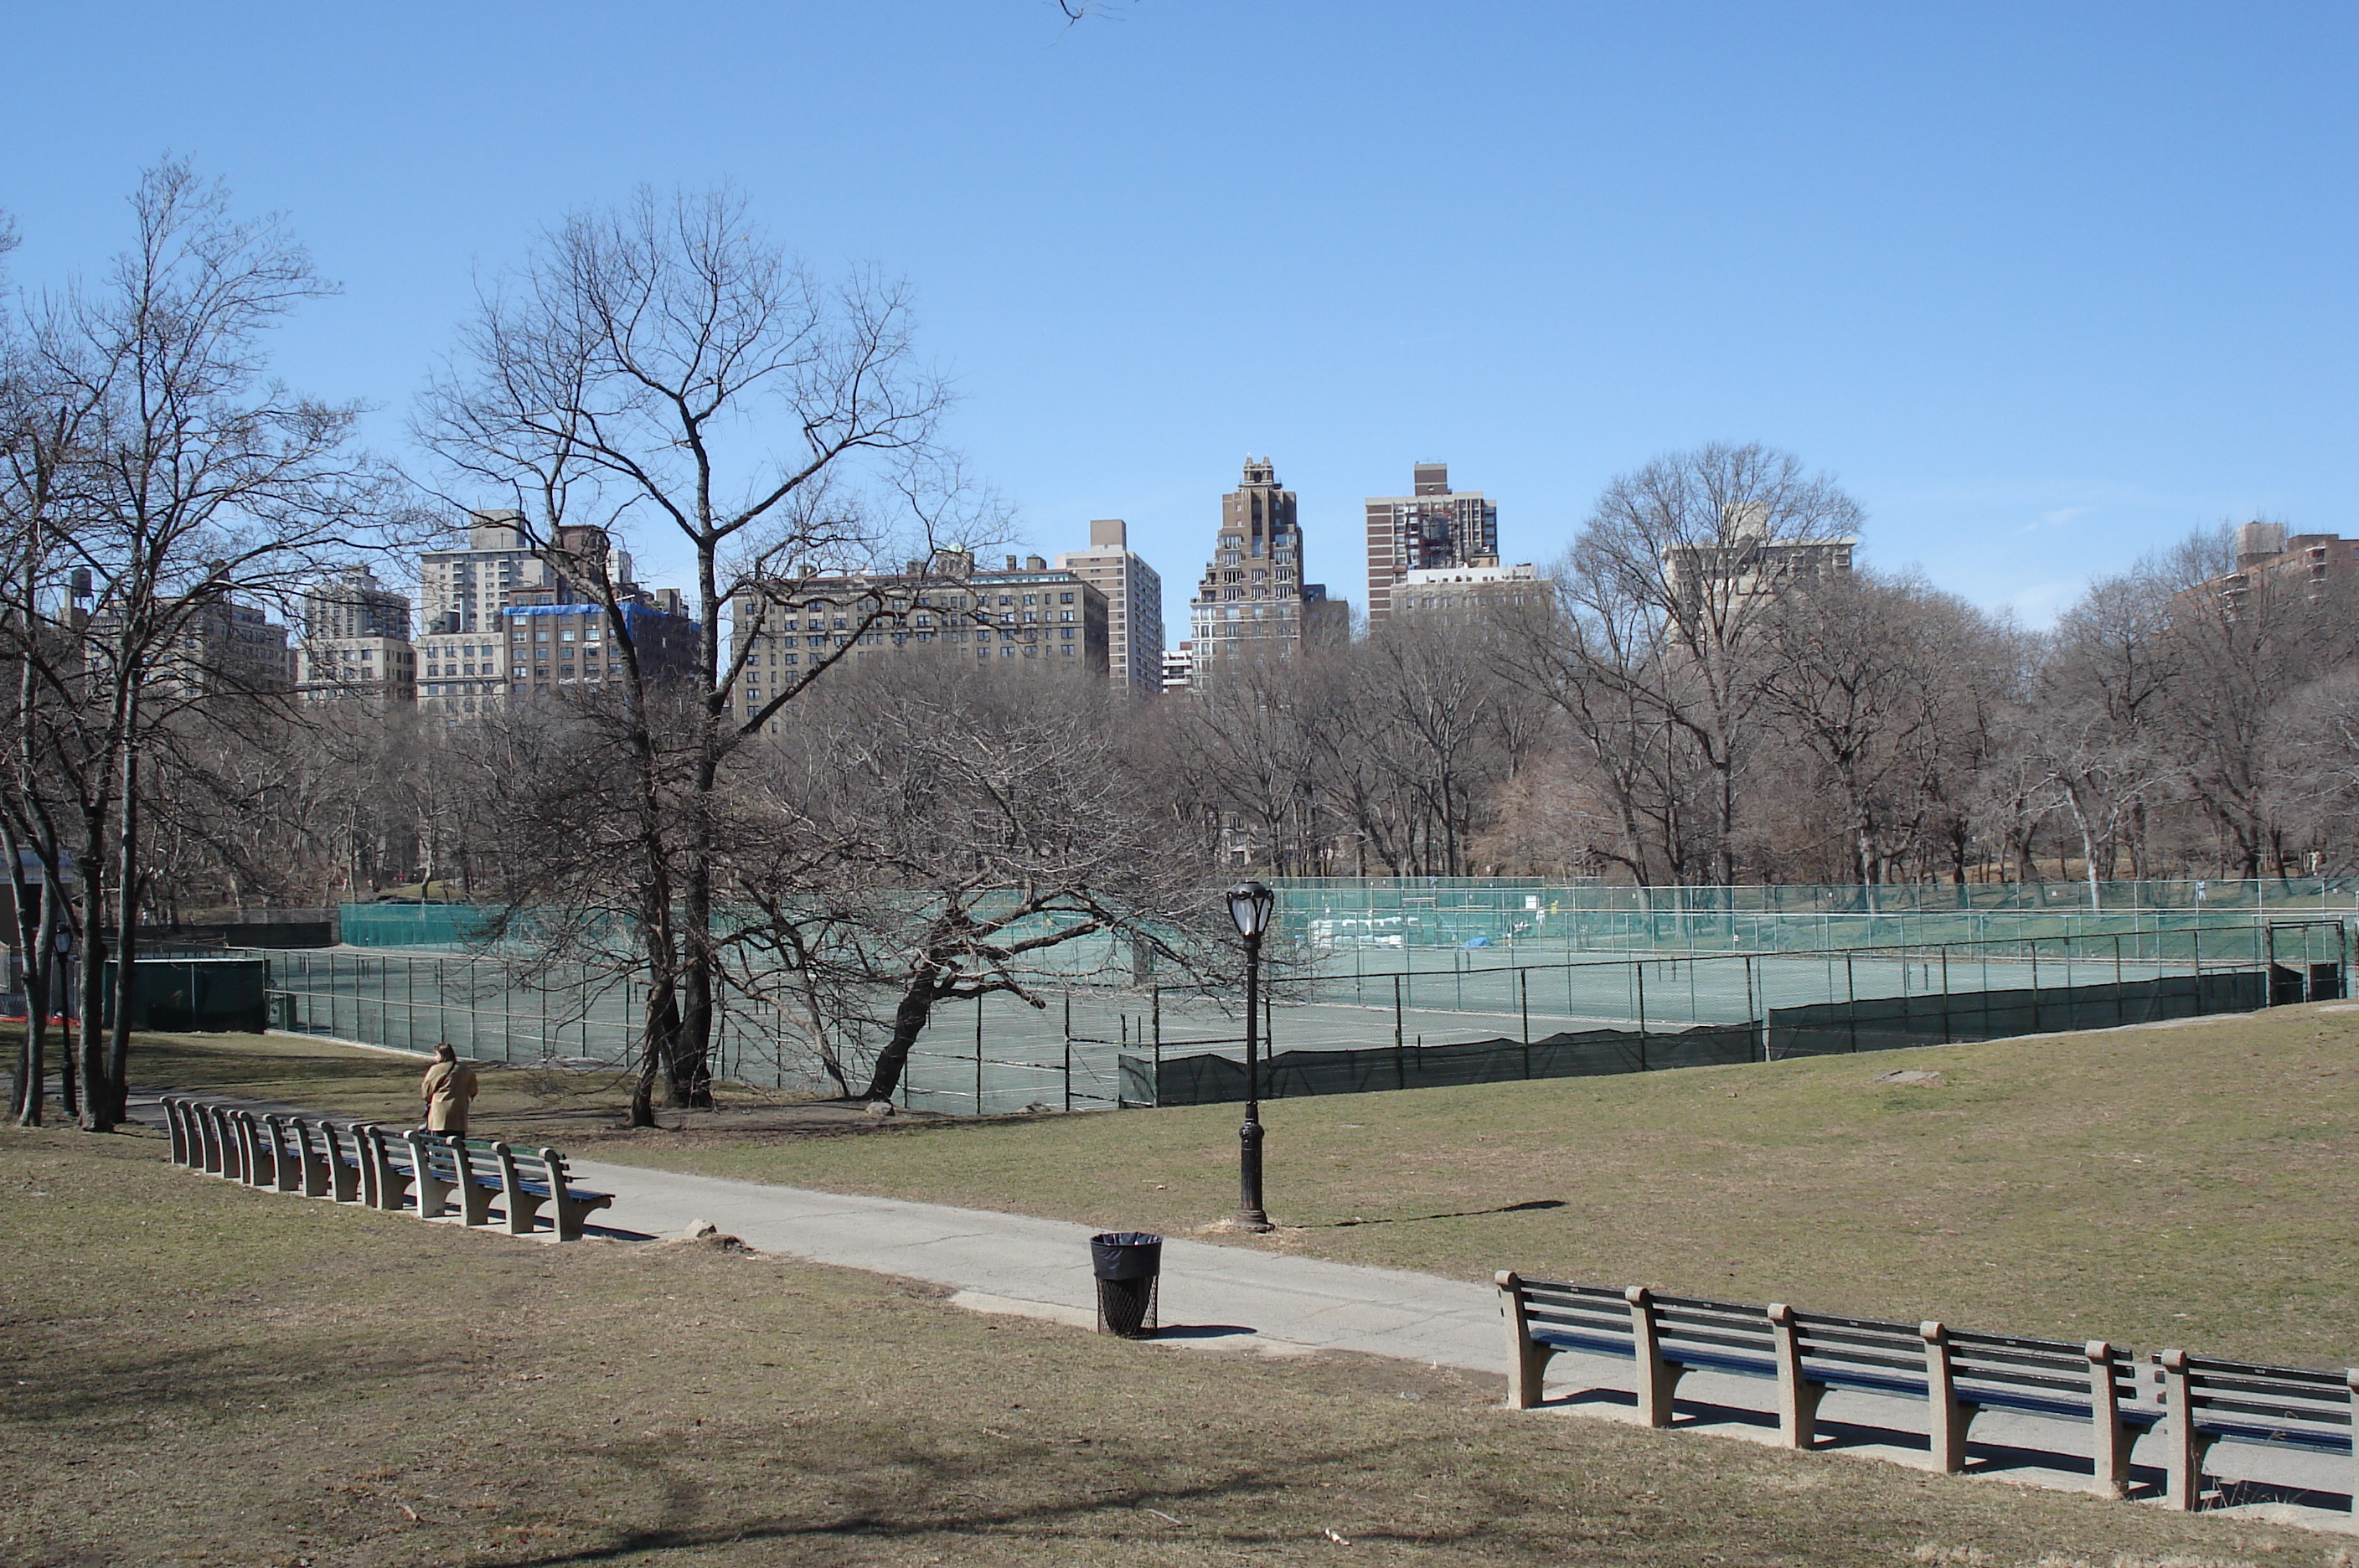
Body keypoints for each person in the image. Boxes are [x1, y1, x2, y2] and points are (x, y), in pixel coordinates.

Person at [420, 1044, 479, 1138]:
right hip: (459, 1109)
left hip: (439, 1110)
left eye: (436, 1055)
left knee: (440, 1140)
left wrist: (428, 1099)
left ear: (443, 1055)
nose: (435, 1058)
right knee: (457, 1142)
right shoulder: (465, 1069)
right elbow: (473, 1089)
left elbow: (427, 1089)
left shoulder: (436, 1070)